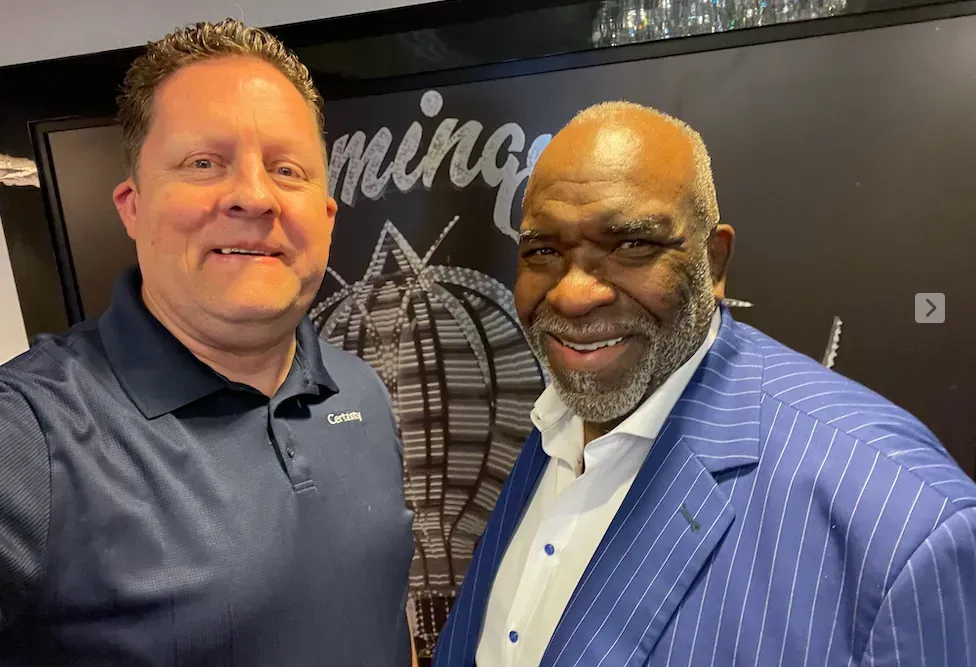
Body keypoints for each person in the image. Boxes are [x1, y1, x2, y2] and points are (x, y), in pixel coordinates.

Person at [434, 101, 976, 667]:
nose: (572, 295)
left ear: (713, 263)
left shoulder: (905, 527)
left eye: (632, 245)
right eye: (543, 251)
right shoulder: (558, 424)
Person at [0, 20, 416, 666]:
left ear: (326, 218)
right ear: (133, 206)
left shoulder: (362, 390)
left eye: (286, 168)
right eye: (203, 163)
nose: (254, 196)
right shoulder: (30, 434)